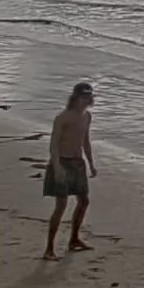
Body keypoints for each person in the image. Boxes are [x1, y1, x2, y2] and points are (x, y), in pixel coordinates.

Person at [43, 82, 98, 260]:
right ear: (75, 97)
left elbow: (85, 141)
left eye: (88, 97)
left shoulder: (86, 116)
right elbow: (54, 144)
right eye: (83, 97)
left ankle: (74, 239)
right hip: (62, 162)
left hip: (77, 163)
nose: (86, 100)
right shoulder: (63, 117)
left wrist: (91, 162)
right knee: (61, 206)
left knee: (84, 201)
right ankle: (49, 248)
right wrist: (57, 167)